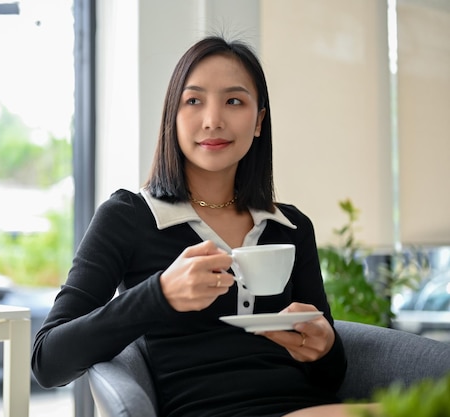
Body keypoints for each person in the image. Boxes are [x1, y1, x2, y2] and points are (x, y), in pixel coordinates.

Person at [32, 36, 378, 417]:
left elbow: (330, 378)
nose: (213, 120)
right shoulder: (129, 217)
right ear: (173, 117)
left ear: (259, 120)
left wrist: (325, 347)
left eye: (234, 101)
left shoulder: (291, 226)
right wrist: (159, 294)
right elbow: (48, 362)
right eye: (193, 101)